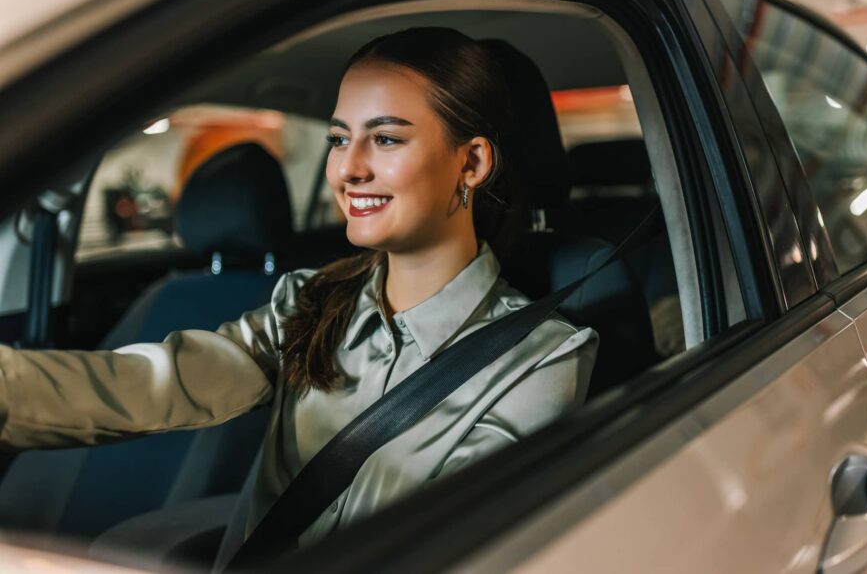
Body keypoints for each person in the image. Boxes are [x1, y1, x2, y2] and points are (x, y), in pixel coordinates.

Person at [0, 27, 598, 552]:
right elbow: (159, 383)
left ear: (471, 163)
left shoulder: (541, 359)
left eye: (385, 139)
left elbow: (448, 546)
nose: (348, 168)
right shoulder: (307, 301)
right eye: (340, 138)